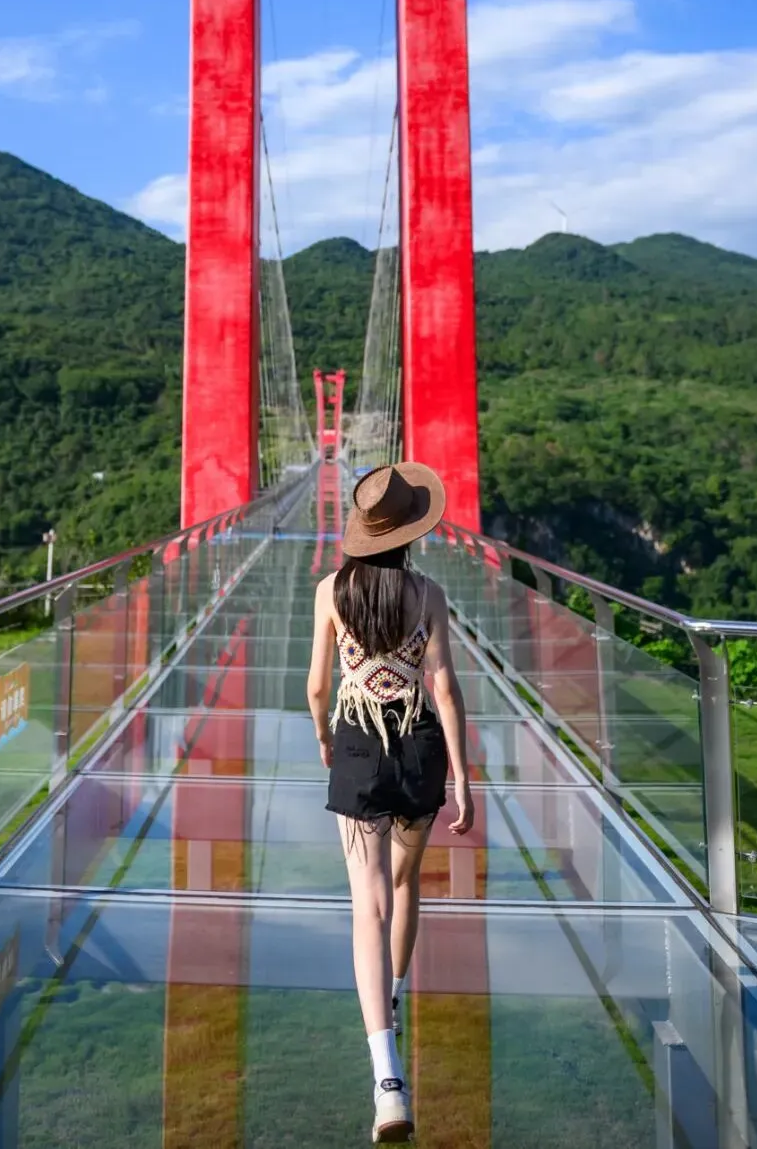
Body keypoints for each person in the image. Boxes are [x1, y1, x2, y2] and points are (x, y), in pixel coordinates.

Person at [307, 462, 474, 1144]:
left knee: (367, 904)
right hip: (420, 749)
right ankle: (394, 996)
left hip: (358, 746)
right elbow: (446, 688)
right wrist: (463, 777)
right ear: (409, 533)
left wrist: (325, 738)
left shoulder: (331, 591)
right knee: (405, 885)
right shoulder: (428, 593)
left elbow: (317, 686)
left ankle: (387, 1081)